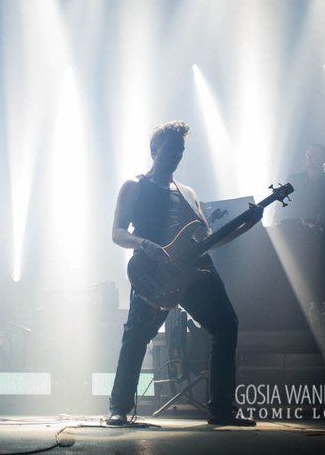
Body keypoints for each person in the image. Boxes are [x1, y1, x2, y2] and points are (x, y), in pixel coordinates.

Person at [107, 121, 262, 427]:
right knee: (137, 336)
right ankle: (119, 408)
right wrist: (144, 244)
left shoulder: (189, 193)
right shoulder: (134, 186)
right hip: (155, 273)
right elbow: (117, 233)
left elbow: (209, 239)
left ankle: (221, 410)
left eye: (180, 150)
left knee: (226, 326)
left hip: (196, 271)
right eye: (171, 149)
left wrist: (248, 225)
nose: (177, 155)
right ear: (154, 149)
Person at [275, 144, 325, 223]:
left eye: (314, 153)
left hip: (316, 230)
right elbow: (279, 207)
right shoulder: (293, 179)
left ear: (324, 160)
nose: (309, 156)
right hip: (288, 228)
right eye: (308, 154)